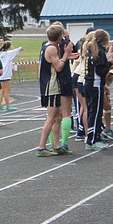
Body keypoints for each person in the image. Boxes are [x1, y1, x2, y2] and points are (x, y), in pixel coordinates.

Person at [35, 25, 68, 157]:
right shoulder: (52, 48)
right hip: (51, 86)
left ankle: (56, 145)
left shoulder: (46, 46)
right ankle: (41, 147)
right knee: (51, 117)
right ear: (59, 36)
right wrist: (66, 55)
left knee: (59, 116)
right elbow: (59, 67)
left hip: (52, 84)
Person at [82, 30, 112, 151]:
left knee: (91, 112)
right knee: (95, 112)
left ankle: (92, 137)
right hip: (95, 84)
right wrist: (109, 63)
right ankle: (92, 140)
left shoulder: (91, 49)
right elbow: (101, 71)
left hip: (88, 82)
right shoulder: (99, 51)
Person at [0, 40, 21, 113]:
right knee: (6, 91)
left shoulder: (0, 54)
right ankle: (7, 105)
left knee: (1, 90)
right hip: (6, 74)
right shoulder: (8, 54)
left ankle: (0, 105)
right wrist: (20, 48)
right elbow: (17, 50)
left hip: (1, 74)